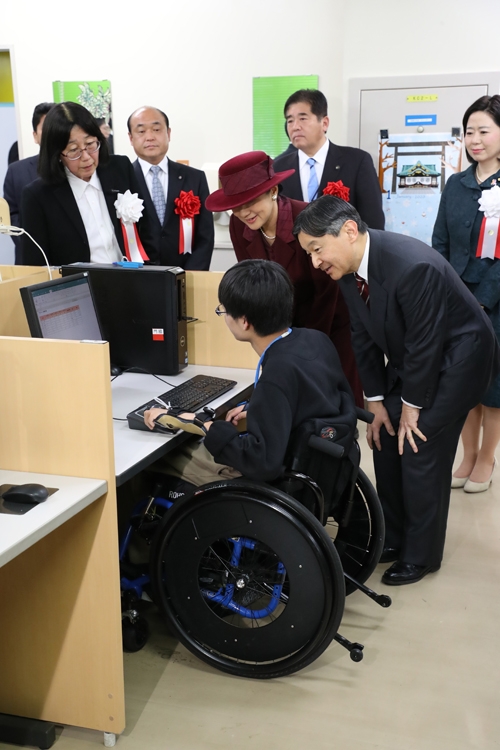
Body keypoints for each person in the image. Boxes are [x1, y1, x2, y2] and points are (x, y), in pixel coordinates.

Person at [294, 195, 499, 585]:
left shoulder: (411, 266)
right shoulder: (351, 269)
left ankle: (421, 555)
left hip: (460, 359)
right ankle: (395, 536)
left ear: (349, 231)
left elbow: (426, 343)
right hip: (417, 359)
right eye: (309, 253)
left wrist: (412, 407)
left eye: (317, 249)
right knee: (383, 434)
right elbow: (362, 335)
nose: (315, 262)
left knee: (419, 442)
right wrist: (375, 402)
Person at [143, 259, 355, 484]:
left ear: (244, 321)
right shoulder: (316, 339)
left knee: (160, 457)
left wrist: (199, 423)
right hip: (322, 469)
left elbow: (261, 463)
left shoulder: (276, 374)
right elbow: (313, 400)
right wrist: (260, 408)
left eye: (223, 310)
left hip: (278, 478)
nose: (224, 316)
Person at [204, 150, 363, 405]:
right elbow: (254, 283)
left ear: (273, 191)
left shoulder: (307, 219)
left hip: (327, 322)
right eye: (237, 205)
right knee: (287, 406)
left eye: (251, 201)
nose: (244, 212)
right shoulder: (239, 224)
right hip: (279, 328)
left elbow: (327, 291)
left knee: (330, 404)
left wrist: (303, 346)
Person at [433, 95, 500, 493]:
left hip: (495, 302)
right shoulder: (455, 184)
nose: (475, 140)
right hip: (455, 297)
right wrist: (443, 290)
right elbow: (439, 241)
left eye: (484, 131)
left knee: (492, 388)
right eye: (469, 132)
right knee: (461, 383)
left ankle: (487, 458)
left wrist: (483, 299)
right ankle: (467, 454)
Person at [20, 102, 155, 266]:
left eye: (90, 144)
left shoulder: (120, 169)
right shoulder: (38, 196)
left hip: (133, 279)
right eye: (73, 150)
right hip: (79, 288)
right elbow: (35, 263)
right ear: (57, 154)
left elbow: (147, 229)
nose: (86, 157)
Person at [273, 89, 385, 230]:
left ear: (324, 123)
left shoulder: (357, 161)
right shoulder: (279, 168)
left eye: (303, 118)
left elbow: (373, 222)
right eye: (290, 120)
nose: (295, 127)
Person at [128, 106, 214, 269]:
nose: (150, 137)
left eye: (156, 129)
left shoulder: (195, 178)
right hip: (138, 278)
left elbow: (206, 236)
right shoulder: (123, 180)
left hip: (187, 276)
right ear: (131, 138)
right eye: (141, 131)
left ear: (168, 133)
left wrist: (190, 276)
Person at [3, 102, 53, 263]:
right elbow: (11, 216)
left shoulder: (78, 169)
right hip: (30, 263)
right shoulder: (17, 171)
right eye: (46, 129)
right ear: (35, 135)